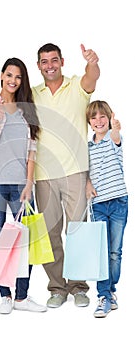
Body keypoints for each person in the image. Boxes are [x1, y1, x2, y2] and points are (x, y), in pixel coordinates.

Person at [0, 57, 47, 314]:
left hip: (21, 184)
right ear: (1, 76)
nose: (13, 81)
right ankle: (4, 295)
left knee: (24, 238)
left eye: (17, 77)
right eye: (9, 75)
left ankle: (22, 297)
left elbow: (31, 151)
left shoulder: (27, 110)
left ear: (22, 80)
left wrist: (29, 182)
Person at [32, 43, 100, 309]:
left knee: (78, 232)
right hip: (43, 175)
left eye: (54, 60)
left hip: (75, 171)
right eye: (44, 61)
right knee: (50, 234)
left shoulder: (76, 87)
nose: (49, 65)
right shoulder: (33, 93)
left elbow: (91, 77)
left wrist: (92, 62)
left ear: (62, 61)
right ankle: (57, 287)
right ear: (38, 66)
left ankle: (79, 286)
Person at [86, 100, 128, 318]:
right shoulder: (87, 146)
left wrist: (115, 127)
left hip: (119, 201)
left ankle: (111, 291)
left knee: (115, 252)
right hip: (98, 205)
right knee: (102, 252)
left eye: (103, 117)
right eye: (94, 117)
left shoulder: (114, 139)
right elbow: (86, 172)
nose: (99, 121)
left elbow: (116, 137)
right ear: (89, 122)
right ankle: (103, 295)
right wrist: (87, 184)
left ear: (109, 118)